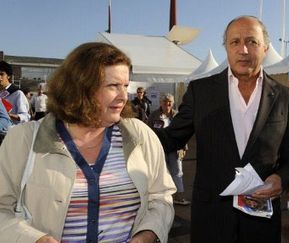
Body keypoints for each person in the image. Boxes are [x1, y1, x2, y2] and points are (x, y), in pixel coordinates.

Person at [0, 42, 176, 243]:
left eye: (125, 86)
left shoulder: (140, 135)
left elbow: (161, 197)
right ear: (80, 88)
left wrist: (147, 234)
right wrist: (34, 239)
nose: (124, 97)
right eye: (113, 86)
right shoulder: (23, 139)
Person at [156, 15, 289, 243]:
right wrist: (125, 130)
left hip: (261, 224)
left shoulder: (286, 98)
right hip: (212, 219)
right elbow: (170, 139)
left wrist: (281, 180)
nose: (243, 49)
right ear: (226, 47)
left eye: (251, 42)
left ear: (265, 48)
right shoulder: (201, 92)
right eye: (235, 42)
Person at [148, 93, 190, 206]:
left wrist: (184, 148)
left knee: (177, 172)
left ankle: (179, 196)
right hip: (159, 149)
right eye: (165, 102)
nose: (167, 104)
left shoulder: (177, 115)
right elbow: (148, 132)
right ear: (161, 103)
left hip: (174, 148)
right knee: (161, 172)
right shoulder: (154, 116)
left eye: (169, 102)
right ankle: (164, 197)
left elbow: (184, 132)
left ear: (173, 103)